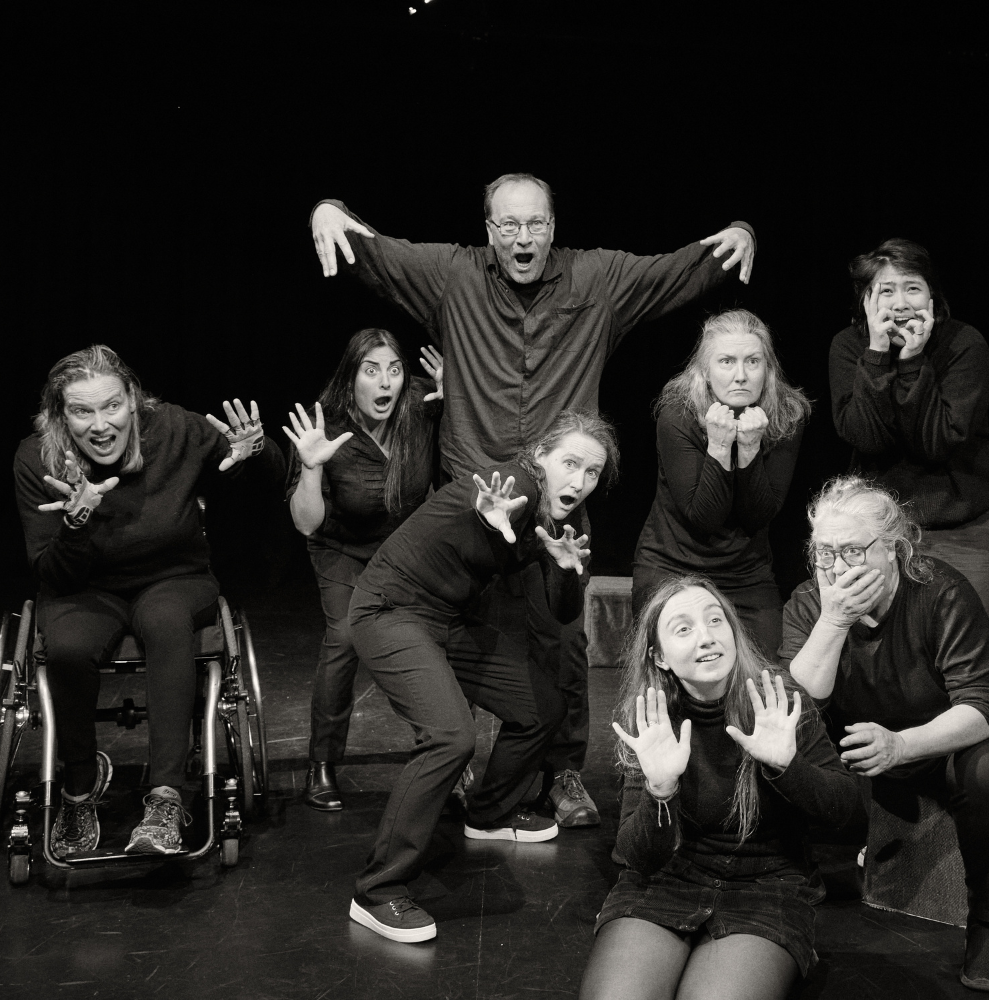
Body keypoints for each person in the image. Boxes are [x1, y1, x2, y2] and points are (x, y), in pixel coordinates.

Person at [309, 173, 756, 828]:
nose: (523, 237)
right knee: (456, 628)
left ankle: (564, 770)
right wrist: (329, 208)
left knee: (560, 638)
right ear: (489, 232)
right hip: (472, 496)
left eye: (536, 224)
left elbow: (677, 270)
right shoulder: (452, 275)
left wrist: (739, 234)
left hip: (558, 496)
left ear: (554, 226)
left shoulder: (597, 279)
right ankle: (457, 754)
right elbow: (374, 248)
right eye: (509, 226)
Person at [344, 409, 618, 944]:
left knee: (542, 705)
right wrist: (494, 521)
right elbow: (493, 505)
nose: (579, 482)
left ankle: (489, 814)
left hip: (450, 619)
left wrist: (564, 569)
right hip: (391, 607)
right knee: (450, 737)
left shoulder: (569, 520)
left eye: (592, 473)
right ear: (540, 456)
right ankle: (376, 892)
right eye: (570, 464)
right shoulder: (511, 486)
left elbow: (563, 612)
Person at [13, 345, 280, 857]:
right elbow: (50, 572)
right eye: (81, 411)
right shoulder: (38, 459)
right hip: (83, 587)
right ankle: (80, 782)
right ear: (59, 415)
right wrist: (75, 524)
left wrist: (257, 450)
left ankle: (166, 796)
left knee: (165, 620)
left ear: (134, 401)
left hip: (173, 576)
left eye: (111, 406)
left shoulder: (174, 429)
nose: (100, 424)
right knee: (67, 646)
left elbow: (261, 476)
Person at [781, 476, 989, 992]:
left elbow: (983, 706)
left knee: (987, 772)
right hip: (880, 732)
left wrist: (902, 745)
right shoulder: (812, 602)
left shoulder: (941, 592)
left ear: (895, 551)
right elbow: (803, 699)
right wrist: (834, 621)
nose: (836, 568)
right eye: (823, 553)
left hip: (971, 728)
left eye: (852, 551)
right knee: (776, 731)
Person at [577, 576, 860, 1000]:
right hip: (667, 882)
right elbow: (636, 856)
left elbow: (849, 814)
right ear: (660, 656)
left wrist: (787, 767)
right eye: (684, 629)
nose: (706, 637)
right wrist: (660, 790)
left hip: (766, 888)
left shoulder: (778, 701)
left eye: (715, 620)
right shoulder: (653, 721)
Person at [827, 239, 989, 666]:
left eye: (912, 288)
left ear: (932, 295)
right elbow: (866, 437)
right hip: (880, 535)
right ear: (866, 299)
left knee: (975, 654)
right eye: (885, 290)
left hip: (963, 529)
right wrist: (876, 356)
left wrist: (911, 360)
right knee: (884, 656)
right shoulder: (849, 347)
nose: (900, 302)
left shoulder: (964, 344)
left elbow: (937, 442)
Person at [283, 328, 443, 811]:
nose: (385, 382)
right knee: (348, 635)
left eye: (394, 369)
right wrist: (311, 468)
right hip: (342, 549)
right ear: (351, 378)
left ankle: (441, 752)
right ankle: (322, 762)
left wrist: (462, 396)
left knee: (435, 634)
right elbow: (307, 524)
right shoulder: (324, 426)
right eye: (371, 370)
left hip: (404, 549)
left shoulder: (422, 405)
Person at [633, 308, 811, 657]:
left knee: (766, 674)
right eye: (727, 361)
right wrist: (717, 446)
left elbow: (758, 515)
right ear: (706, 371)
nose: (740, 375)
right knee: (668, 672)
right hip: (673, 563)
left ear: (768, 369)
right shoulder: (678, 414)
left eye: (753, 361)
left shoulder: (787, 415)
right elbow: (703, 517)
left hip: (746, 571)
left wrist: (748, 449)